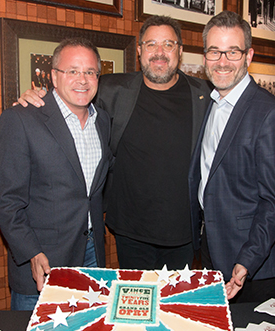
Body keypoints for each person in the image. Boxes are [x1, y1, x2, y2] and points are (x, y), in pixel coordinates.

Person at [18, 16, 212, 271]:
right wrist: (37, 96)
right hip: (130, 233)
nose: (159, 53)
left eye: (168, 44)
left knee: (174, 307)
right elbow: (70, 94)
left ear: (180, 51)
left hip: (183, 234)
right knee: (134, 308)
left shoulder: (205, 95)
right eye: (151, 44)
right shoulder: (112, 89)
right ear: (140, 51)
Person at [0, 38, 113, 311]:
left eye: (90, 72)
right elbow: (6, 200)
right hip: (42, 259)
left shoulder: (102, 121)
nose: (82, 80)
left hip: (92, 252)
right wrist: (31, 252)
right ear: (54, 77)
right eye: (72, 71)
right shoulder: (21, 119)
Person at [189, 11, 275, 303]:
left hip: (249, 262)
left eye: (232, 51)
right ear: (205, 56)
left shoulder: (270, 114)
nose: (222, 61)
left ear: (248, 56)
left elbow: (273, 202)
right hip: (211, 245)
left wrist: (247, 259)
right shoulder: (211, 103)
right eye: (214, 51)